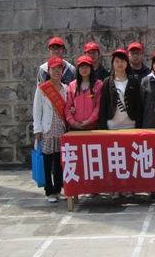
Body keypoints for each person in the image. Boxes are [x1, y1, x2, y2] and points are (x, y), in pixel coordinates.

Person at [33, 56, 68, 203]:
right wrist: (37, 130)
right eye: (54, 69)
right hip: (47, 129)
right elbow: (37, 110)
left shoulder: (65, 88)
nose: (57, 71)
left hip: (61, 129)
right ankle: (49, 191)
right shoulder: (42, 89)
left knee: (59, 161)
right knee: (47, 162)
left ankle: (58, 189)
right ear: (49, 70)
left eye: (59, 69)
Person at [99, 49, 142, 130]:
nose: (120, 64)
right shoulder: (107, 82)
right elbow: (103, 106)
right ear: (112, 63)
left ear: (127, 63)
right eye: (117, 61)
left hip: (131, 125)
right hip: (112, 125)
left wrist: (139, 125)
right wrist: (102, 126)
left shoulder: (134, 82)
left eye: (122, 61)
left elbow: (138, 106)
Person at [65, 55, 103, 131]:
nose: (84, 69)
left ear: (91, 68)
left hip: (92, 127)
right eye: (82, 67)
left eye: (87, 67)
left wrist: (89, 121)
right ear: (78, 69)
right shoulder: (72, 85)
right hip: (75, 127)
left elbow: (98, 107)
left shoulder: (98, 84)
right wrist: (72, 122)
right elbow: (67, 107)